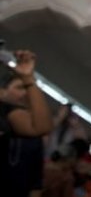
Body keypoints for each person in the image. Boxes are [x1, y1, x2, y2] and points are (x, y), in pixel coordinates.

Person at [0, 49, 53, 197]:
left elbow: (42, 127)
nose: (25, 93)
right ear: (2, 92)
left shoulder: (15, 118)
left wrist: (28, 78)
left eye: (26, 89)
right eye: (19, 88)